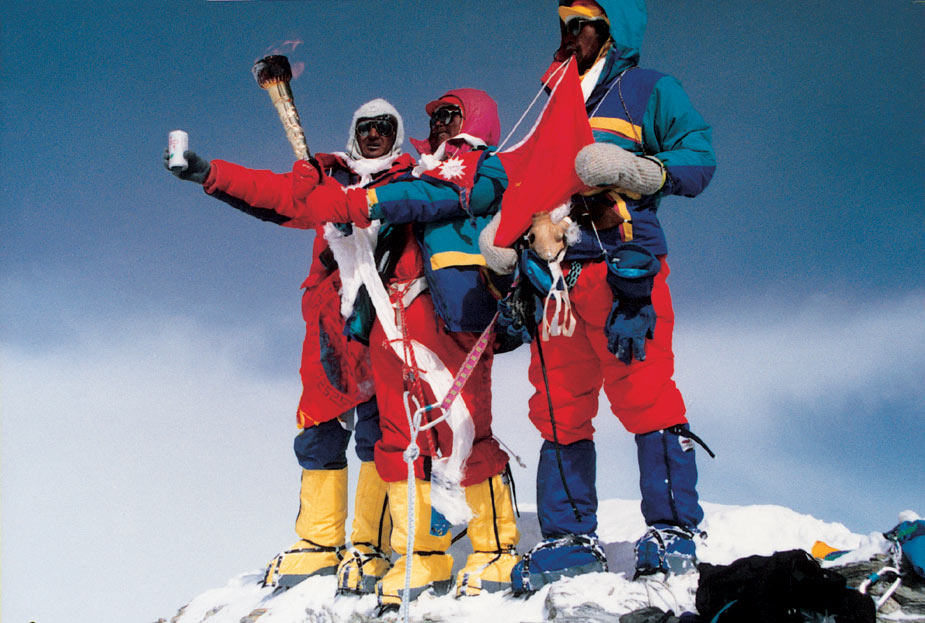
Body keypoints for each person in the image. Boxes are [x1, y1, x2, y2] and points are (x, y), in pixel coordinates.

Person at [483, 0, 716, 592]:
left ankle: (673, 531)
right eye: (566, 25)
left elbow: (699, 158)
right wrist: (503, 232)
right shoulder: (550, 102)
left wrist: (640, 171)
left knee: (646, 394)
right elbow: (524, 181)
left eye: (583, 24)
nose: (572, 34)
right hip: (554, 280)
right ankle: (568, 539)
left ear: (612, 28)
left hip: (621, 268)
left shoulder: (646, 90)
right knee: (557, 406)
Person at [163, 98, 415, 594]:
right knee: (318, 429)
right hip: (331, 324)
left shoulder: (412, 182)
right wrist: (210, 173)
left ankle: (371, 545)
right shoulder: (327, 181)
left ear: (397, 135)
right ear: (354, 134)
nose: (373, 134)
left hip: (388, 320)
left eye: (384, 127)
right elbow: (274, 194)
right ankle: (319, 543)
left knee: (381, 433)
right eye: (365, 127)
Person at [296, 89, 520, 610]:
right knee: (402, 440)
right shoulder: (419, 171)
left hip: (459, 319)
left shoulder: (483, 167)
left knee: (465, 429)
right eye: (434, 116)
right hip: (396, 321)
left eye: (450, 114)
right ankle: (421, 554)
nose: (438, 122)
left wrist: (360, 202)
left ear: (476, 120)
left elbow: (449, 197)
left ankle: (495, 549)